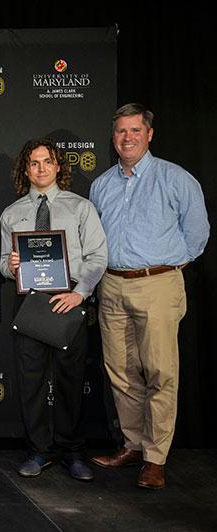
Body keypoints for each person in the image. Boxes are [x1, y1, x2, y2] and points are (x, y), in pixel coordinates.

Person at [89, 104, 209, 490]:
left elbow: (197, 236)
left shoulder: (176, 179)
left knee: (160, 373)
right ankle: (134, 445)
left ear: (149, 134)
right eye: (121, 131)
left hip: (157, 283)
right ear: (114, 136)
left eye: (135, 131)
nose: (127, 138)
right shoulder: (102, 184)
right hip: (111, 285)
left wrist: (166, 268)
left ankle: (156, 458)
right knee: (121, 373)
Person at [0, 139, 107, 481]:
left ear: (59, 166)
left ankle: (72, 451)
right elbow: (3, 263)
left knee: (70, 381)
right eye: (34, 162)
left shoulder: (81, 208)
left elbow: (97, 257)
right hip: (29, 301)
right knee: (30, 381)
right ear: (26, 169)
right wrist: (12, 266)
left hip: (69, 300)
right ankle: (38, 451)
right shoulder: (11, 213)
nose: (41, 168)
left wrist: (81, 294)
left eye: (47, 161)